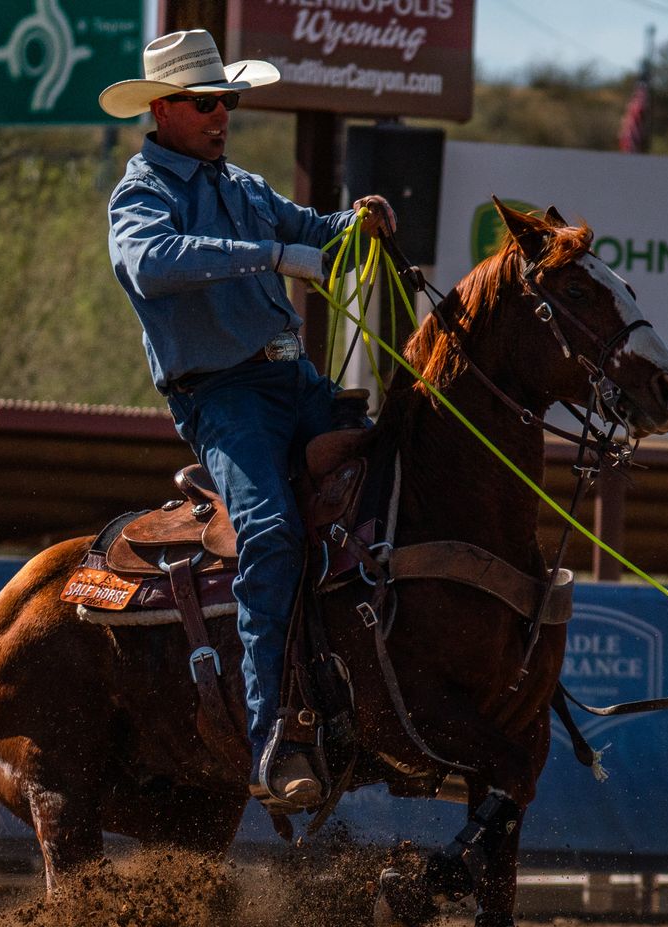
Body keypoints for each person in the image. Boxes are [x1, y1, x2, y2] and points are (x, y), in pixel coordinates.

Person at [100, 29, 395, 812]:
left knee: (394, 478)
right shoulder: (139, 194)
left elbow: (317, 232)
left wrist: (356, 222)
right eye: (206, 102)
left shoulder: (244, 185)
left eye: (227, 100)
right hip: (223, 398)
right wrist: (267, 256)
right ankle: (275, 739)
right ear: (162, 109)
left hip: (292, 379)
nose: (222, 113)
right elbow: (149, 263)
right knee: (268, 532)